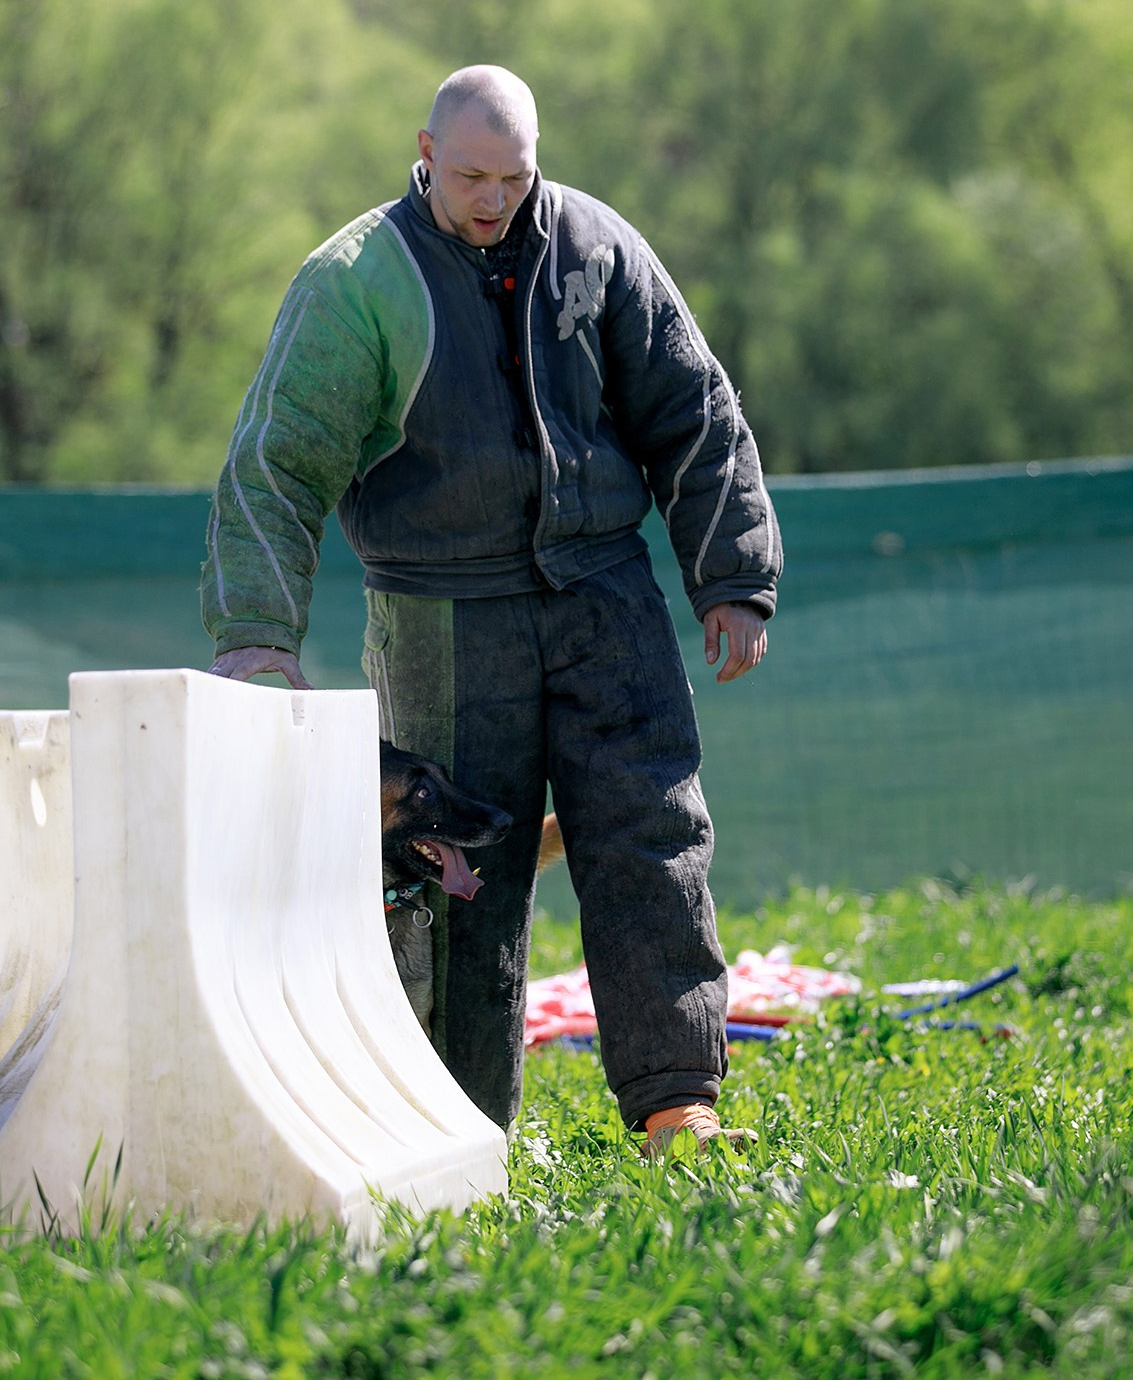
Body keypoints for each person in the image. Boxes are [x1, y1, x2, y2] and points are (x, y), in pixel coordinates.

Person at [201, 64, 780, 1157]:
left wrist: (733, 576)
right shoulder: (356, 281)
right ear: (423, 148)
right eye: (468, 173)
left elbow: (693, 411)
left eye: (513, 176)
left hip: (604, 593)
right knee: (455, 874)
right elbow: (276, 465)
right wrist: (256, 636)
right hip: (442, 615)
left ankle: (675, 1106)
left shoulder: (599, 246)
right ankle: (456, 1132)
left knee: (651, 835)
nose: (492, 199)